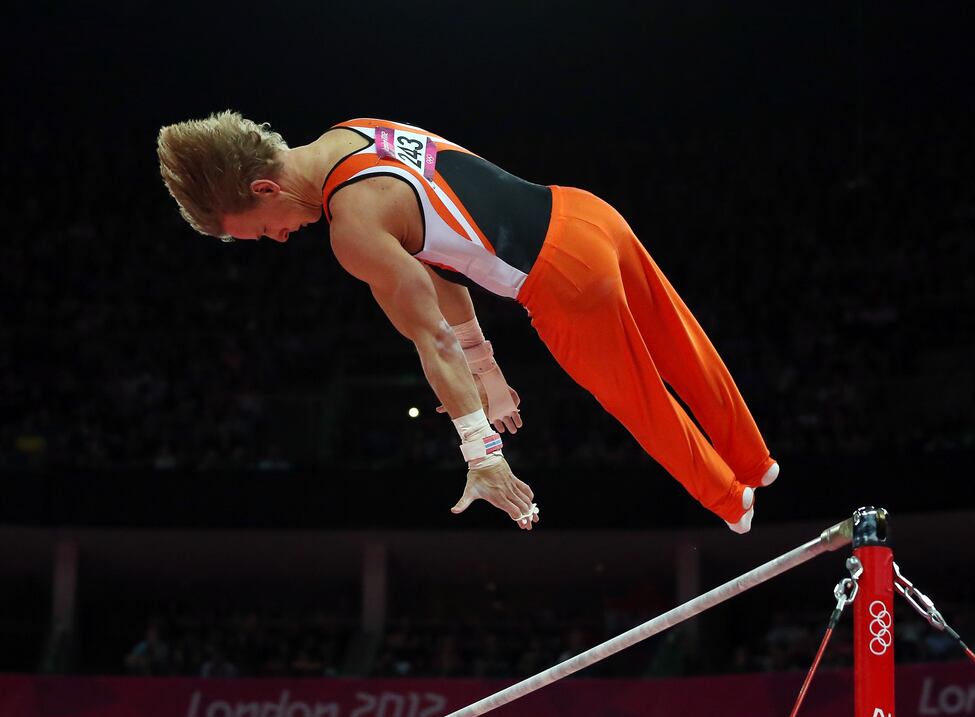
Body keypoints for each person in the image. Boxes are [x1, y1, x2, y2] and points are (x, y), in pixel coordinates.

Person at [157, 112, 778, 531]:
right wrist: (488, 369)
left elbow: (431, 337)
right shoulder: (353, 133)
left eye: (263, 229)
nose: (281, 239)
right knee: (681, 344)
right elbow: (444, 255)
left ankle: (731, 498)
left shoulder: (354, 230)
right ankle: (754, 460)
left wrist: (481, 451)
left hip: (560, 280)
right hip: (586, 213)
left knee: (638, 397)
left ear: (264, 189)